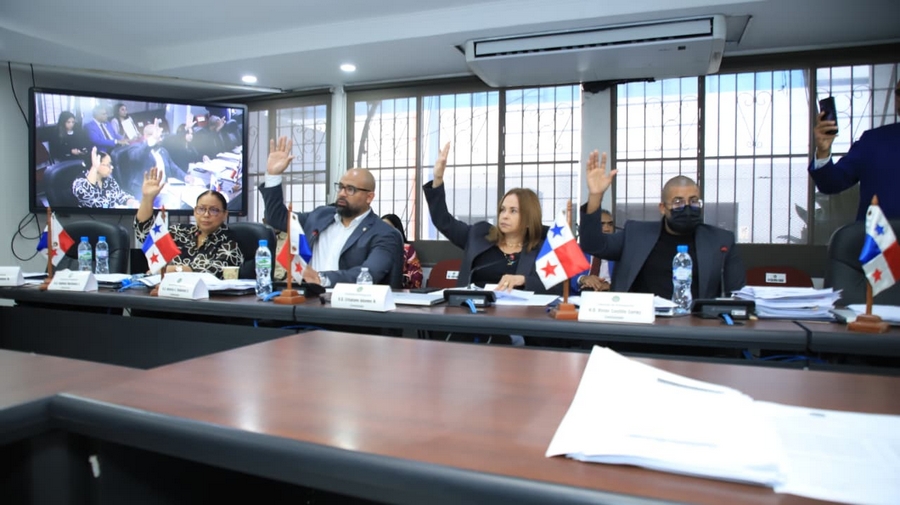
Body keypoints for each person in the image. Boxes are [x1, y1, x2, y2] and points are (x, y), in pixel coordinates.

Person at [579, 150, 745, 299]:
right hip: (643, 320)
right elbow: (593, 244)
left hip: (696, 321)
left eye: (694, 201)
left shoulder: (721, 241)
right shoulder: (636, 235)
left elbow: (737, 295)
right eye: (678, 202)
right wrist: (595, 196)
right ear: (662, 208)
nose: (687, 208)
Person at [261, 136, 403, 288]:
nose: (342, 193)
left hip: (347, 300)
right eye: (340, 187)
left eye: (350, 189)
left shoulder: (384, 233)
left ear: (369, 197)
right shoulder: (320, 216)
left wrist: (321, 278)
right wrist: (273, 176)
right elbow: (276, 218)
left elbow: (370, 273)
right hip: (308, 297)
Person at [424, 142, 558, 294]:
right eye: (502, 209)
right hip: (472, 306)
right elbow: (443, 221)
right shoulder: (478, 235)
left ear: (528, 219)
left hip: (516, 309)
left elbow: (559, 288)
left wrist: (524, 280)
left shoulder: (542, 249)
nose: (504, 215)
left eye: (513, 211)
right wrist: (438, 178)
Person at [809, 80, 900, 220]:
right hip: (877, 233)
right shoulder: (872, 140)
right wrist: (823, 152)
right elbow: (831, 184)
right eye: (899, 93)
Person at [135, 167, 243, 279]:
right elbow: (145, 235)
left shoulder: (231, 240)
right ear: (195, 211)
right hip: (171, 288)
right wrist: (147, 198)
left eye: (213, 210)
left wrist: (173, 270)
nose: (206, 215)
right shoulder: (180, 231)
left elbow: (216, 272)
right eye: (201, 209)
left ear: (225, 214)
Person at [113, 121, 198, 202]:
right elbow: (138, 155)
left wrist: (185, 177)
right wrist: (150, 142)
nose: (160, 139)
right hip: (144, 192)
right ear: (146, 136)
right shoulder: (135, 148)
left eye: (160, 137)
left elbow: (173, 167)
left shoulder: (162, 150)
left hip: (164, 189)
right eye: (157, 137)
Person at [72, 147, 138, 208]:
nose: (112, 167)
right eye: (108, 165)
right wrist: (94, 167)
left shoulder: (109, 180)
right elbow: (86, 194)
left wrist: (131, 202)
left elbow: (120, 195)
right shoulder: (79, 183)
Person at [571, 208, 615, 293]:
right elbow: (566, 277)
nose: (607, 229)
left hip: (609, 295)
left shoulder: (620, 252)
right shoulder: (577, 250)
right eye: (601, 224)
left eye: (610, 224)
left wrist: (610, 286)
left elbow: (628, 280)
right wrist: (583, 279)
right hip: (581, 295)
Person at [381, 213, 423, 289]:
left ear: (397, 229)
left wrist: (403, 279)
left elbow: (416, 274)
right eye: (382, 227)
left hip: (401, 289)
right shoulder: (376, 247)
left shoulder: (407, 249)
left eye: (388, 227)